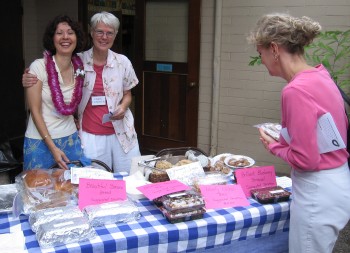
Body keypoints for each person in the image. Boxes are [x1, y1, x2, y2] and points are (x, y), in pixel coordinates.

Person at [248, 13, 350, 253]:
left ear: (274, 49)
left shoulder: (295, 90)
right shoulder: (320, 75)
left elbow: (307, 160)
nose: (261, 60)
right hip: (337, 180)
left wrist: (274, 146)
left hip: (318, 190)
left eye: (260, 53)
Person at [23, 12, 141, 173]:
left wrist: (123, 106)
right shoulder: (79, 61)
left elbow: (128, 93)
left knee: (131, 176)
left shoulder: (122, 62)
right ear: (91, 33)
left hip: (122, 132)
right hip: (91, 134)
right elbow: (51, 65)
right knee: (96, 181)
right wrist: (27, 78)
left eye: (109, 33)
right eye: (99, 31)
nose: (104, 37)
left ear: (115, 35)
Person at [24, 15, 86, 170]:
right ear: (52, 38)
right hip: (40, 141)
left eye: (70, 32)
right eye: (59, 33)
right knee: (38, 191)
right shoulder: (38, 67)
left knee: (71, 189)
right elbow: (35, 111)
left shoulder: (79, 67)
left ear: (77, 38)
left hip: (70, 138)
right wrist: (52, 147)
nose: (65, 37)